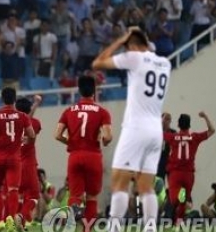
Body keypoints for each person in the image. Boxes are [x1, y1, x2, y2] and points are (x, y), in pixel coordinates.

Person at [92, 27, 172, 232]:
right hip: (156, 131)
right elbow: (148, 50)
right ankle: (151, 227)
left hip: (136, 128)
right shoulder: (165, 63)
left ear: (132, 45)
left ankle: (114, 227)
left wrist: (121, 40)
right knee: (146, 186)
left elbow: (98, 63)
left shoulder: (135, 57)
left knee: (119, 182)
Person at [55, 75, 113, 231]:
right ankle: (87, 229)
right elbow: (107, 137)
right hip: (93, 156)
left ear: (79, 90)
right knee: (92, 197)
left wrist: (72, 143)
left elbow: (57, 135)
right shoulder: (102, 112)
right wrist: (103, 140)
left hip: (75, 155)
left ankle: (73, 212)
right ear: (94, 90)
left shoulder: (69, 111)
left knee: (75, 195)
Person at [0, 87, 35, 232]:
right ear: (15, 99)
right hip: (14, 159)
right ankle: (10, 219)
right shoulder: (23, 117)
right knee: (13, 189)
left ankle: (0, 221)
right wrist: (26, 139)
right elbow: (31, 134)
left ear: (2, 99)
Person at [163, 112, 215, 226]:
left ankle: (178, 220)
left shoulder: (173, 137)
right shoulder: (194, 137)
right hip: (188, 175)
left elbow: (157, 133)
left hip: (176, 173)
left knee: (174, 200)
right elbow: (212, 130)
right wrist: (205, 117)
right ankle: (179, 222)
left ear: (178, 124)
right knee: (183, 201)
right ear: (189, 125)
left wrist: (162, 120)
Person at [17, 95, 43, 229]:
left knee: (16, 195)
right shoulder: (35, 123)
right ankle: (21, 216)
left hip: (14, 166)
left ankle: (15, 222)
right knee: (34, 195)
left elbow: (24, 118)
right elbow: (29, 121)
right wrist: (36, 102)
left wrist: (35, 104)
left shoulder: (11, 124)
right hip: (28, 164)